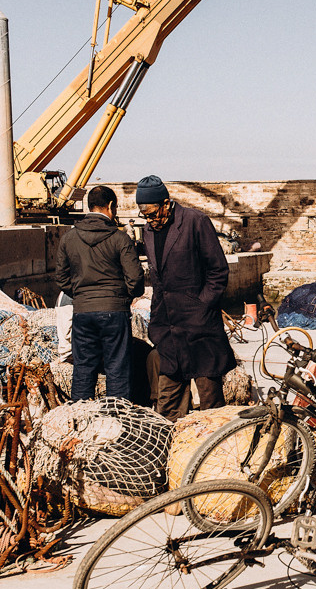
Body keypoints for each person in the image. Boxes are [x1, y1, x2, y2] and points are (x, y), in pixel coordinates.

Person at [137, 175, 235, 421]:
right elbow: (158, 281)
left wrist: (201, 305)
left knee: (210, 402)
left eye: (152, 214)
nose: (149, 220)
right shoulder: (149, 231)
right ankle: (171, 450)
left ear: (166, 204)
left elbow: (218, 270)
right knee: (168, 403)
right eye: (144, 215)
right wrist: (157, 321)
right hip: (170, 328)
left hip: (200, 327)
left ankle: (213, 451)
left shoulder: (195, 221)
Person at [54, 185, 144, 400]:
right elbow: (135, 279)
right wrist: (123, 297)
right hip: (114, 311)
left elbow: (61, 278)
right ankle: (117, 418)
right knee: (117, 368)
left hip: (83, 312)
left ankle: (81, 418)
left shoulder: (69, 238)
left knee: (83, 368)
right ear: (111, 206)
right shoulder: (120, 238)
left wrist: (81, 295)